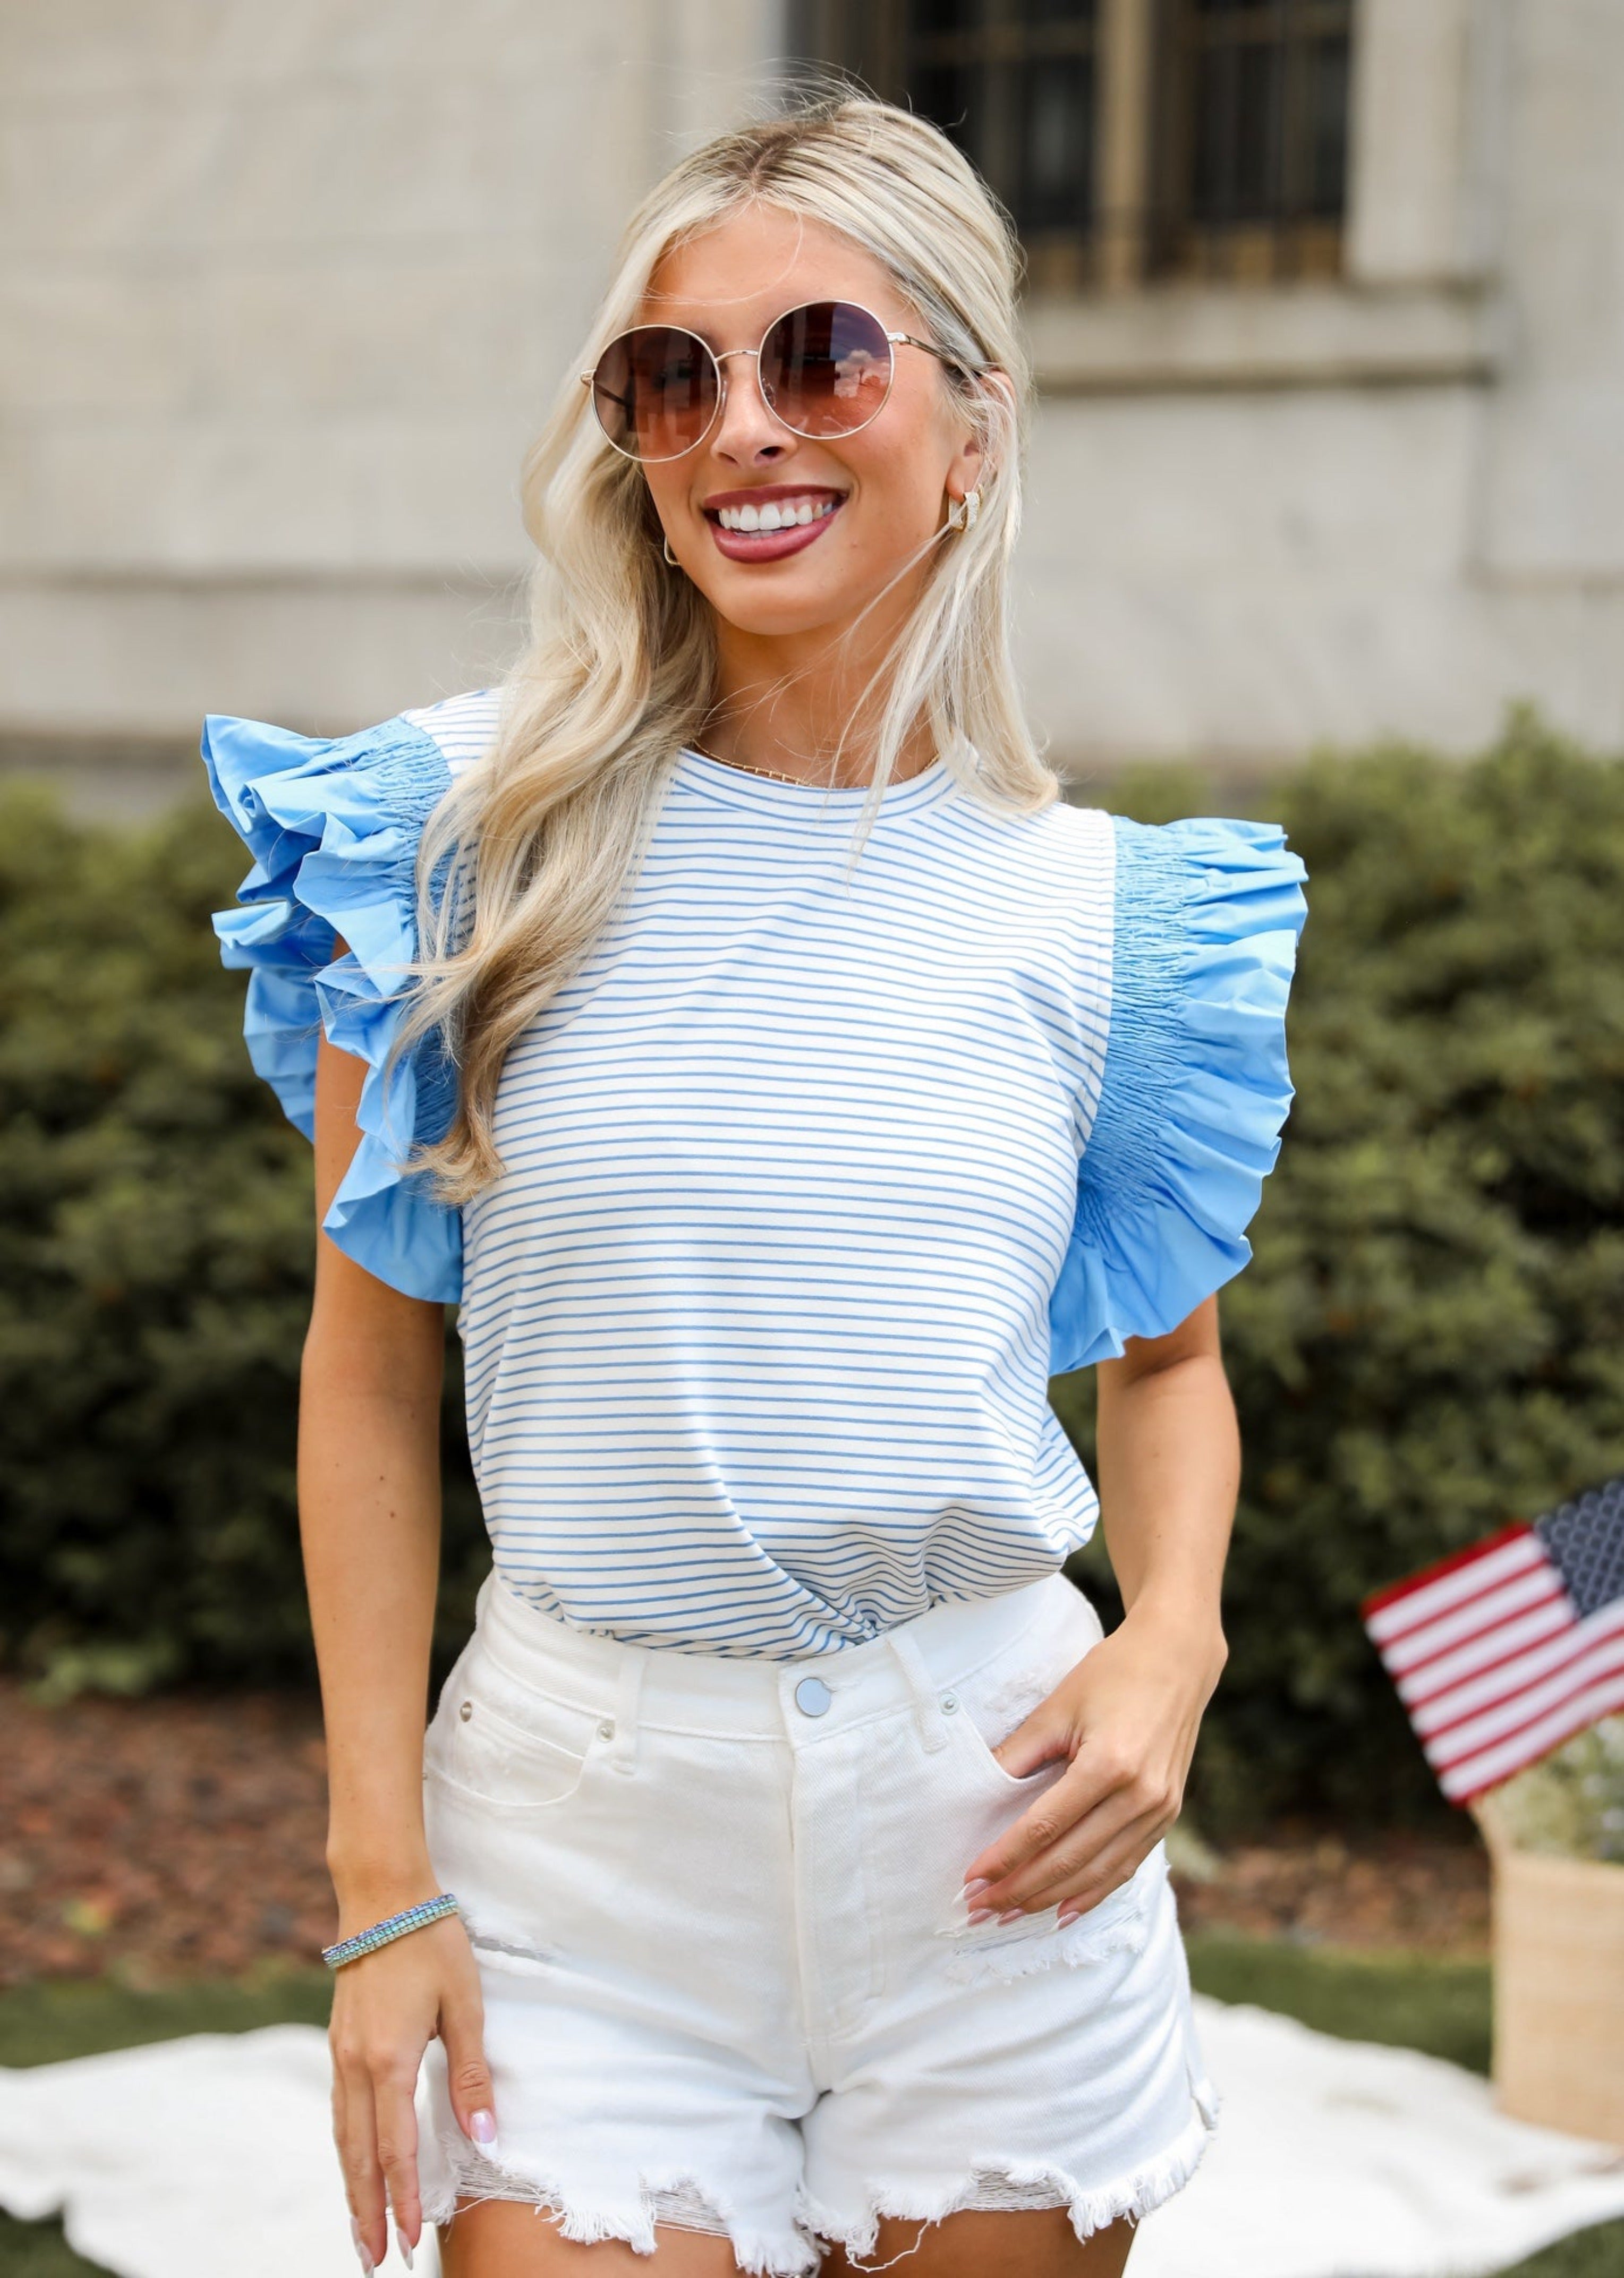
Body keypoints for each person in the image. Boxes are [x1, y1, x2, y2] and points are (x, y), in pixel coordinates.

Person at [201, 90, 1306, 2278]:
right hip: (578, 1854)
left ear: (974, 426)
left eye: (823, 355)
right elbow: (361, 1377)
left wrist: (1173, 1637)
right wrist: (374, 1878)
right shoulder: (442, 845)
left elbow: (1165, 1364)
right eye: (672, 377)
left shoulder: (1112, 921)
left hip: (997, 1829)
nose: (743, 431)